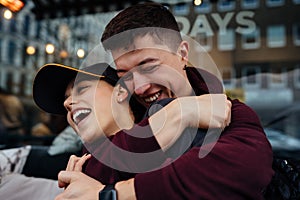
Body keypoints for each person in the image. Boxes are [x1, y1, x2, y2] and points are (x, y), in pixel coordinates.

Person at [55, 2, 274, 200]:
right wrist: (173, 115)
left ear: (182, 53)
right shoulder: (129, 112)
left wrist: (109, 194)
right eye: (125, 75)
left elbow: (243, 171)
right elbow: (90, 167)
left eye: (149, 66)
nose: (139, 87)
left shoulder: (233, 113)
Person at [32, 62, 230, 185]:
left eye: (81, 89)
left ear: (120, 92)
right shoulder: (84, 164)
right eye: (66, 99)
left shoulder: (174, 117)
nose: (67, 103)